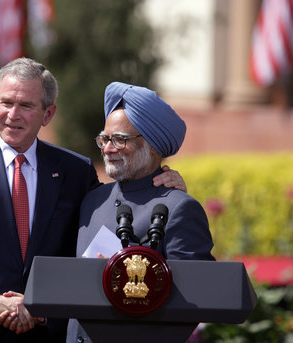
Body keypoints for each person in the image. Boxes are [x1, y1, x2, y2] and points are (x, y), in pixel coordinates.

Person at [0, 58, 186, 343]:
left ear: (48, 114)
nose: (13, 114)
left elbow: (114, 215)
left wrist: (166, 191)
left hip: (44, 333)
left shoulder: (75, 172)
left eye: (26, 106)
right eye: (6, 103)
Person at [67, 82, 215, 343]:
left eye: (120, 139)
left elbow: (194, 298)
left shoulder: (179, 208)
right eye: (104, 138)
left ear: (153, 146)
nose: (108, 148)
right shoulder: (92, 200)